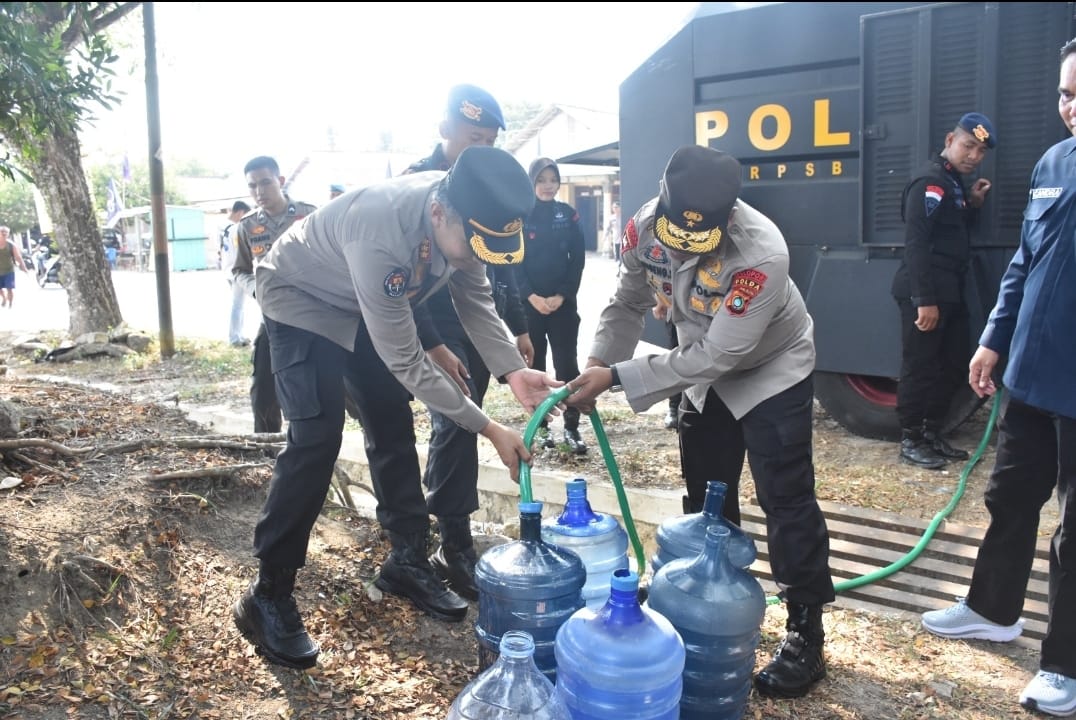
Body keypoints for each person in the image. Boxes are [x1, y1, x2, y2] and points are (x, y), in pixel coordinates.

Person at [232, 145, 561, 670]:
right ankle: (268, 592)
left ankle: (407, 559)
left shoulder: (464, 215)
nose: (475, 257)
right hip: (301, 296)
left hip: (357, 298)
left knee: (390, 416)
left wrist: (511, 370)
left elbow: (475, 300)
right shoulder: (382, 234)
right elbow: (407, 360)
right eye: (470, 246)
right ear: (438, 215)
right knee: (318, 437)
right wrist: (488, 427)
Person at [566, 144, 834, 699]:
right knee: (706, 490)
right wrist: (595, 363)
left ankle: (806, 630)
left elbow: (723, 355)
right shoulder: (643, 228)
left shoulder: (762, 253)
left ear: (729, 215)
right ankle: (704, 603)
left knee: (785, 495)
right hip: (701, 359)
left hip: (770, 367)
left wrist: (617, 378)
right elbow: (627, 300)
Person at [920, 38, 1076, 718]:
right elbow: (1023, 264)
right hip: (1033, 378)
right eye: (1068, 93)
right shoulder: (1053, 163)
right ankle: (992, 609)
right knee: (1010, 498)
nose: (1074, 107)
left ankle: (1067, 667)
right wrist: (993, 340)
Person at [401, 83, 533, 601]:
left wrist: (518, 326)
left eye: (491, 141)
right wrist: (434, 343)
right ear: (445, 130)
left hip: (476, 313)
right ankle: (451, 541)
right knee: (456, 418)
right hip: (427, 317)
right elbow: (403, 283)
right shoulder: (421, 184)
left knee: (466, 412)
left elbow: (502, 263)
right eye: (473, 137)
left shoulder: (491, 183)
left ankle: (451, 531)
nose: (482, 149)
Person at [892, 112, 995, 469]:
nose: (974, 156)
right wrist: (925, 300)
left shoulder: (951, 184)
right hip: (927, 291)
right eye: (968, 146)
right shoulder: (930, 182)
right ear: (950, 140)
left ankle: (932, 432)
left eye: (981, 151)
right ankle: (911, 439)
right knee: (920, 367)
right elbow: (917, 243)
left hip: (949, 290)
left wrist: (974, 205)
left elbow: (949, 231)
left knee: (951, 365)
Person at [233, 157, 317, 433]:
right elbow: (239, 270)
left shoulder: (308, 215)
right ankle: (266, 449)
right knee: (264, 387)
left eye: (265, 182)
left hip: (316, 315)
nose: (259, 192)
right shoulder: (246, 227)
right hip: (274, 315)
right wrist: (257, 288)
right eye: (252, 186)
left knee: (340, 383)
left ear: (280, 181)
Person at [519, 157, 587, 454]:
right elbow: (512, 263)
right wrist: (530, 296)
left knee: (567, 366)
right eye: (541, 180)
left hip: (563, 305)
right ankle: (542, 428)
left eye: (552, 179)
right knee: (535, 367)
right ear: (531, 182)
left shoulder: (567, 214)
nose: (548, 186)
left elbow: (578, 260)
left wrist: (562, 295)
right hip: (529, 306)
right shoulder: (520, 216)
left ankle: (572, 428)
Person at [220, 200, 252, 347]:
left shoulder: (221, 226)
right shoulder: (236, 228)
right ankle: (234, 337)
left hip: (227, 268)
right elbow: (241, 249)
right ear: (240, 212)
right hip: (237, 270)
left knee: (238, 304)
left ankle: (239, 335)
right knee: (237, 305)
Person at [0, 226, 29, 308]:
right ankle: (4, 298)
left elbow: (18, 257)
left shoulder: (11, 245)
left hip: (9, 270)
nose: (4, 233)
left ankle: (10, 304)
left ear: (8, 234)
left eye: (6, 232)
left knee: (9, 288)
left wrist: (24, 268)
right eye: (2, 231)